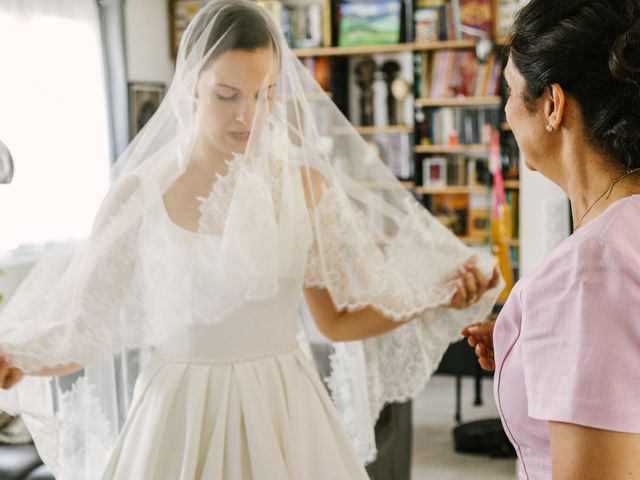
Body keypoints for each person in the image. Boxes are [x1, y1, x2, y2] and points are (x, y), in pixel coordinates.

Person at [0, 1, 500, 478]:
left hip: (284, 407)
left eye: (265, 93)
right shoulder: (138, 195)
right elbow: (85, 329)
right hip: (181, 412)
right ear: (192, 85)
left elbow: (338, 320)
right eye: (227, 95)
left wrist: (429, 296)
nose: (248, 115)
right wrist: (17, 357)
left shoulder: (307, 188)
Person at [462, 0, 640, 478]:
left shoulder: (590, 270)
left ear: (553, 106)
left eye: (512, 91)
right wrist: (534, 353)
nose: (505, 111)